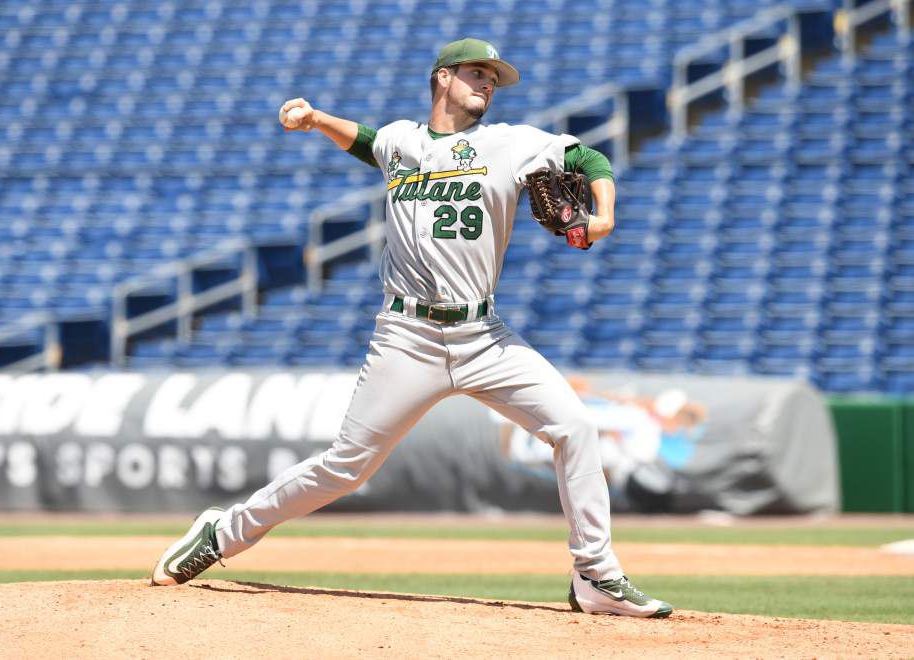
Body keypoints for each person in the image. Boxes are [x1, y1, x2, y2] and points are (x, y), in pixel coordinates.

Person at [151, 37, 673, 618]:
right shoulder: (402, 141)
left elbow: (590, 161)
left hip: (485, 337)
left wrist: (603, 216)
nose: (488, 84)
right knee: (347, 467)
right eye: (478, 73)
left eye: (494, 79)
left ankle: (596, 575)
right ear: (443, 78)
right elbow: (371, 142)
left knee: (575, 426)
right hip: (407, 338)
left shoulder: (511, 143)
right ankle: (222, 533)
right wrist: (317, 118)